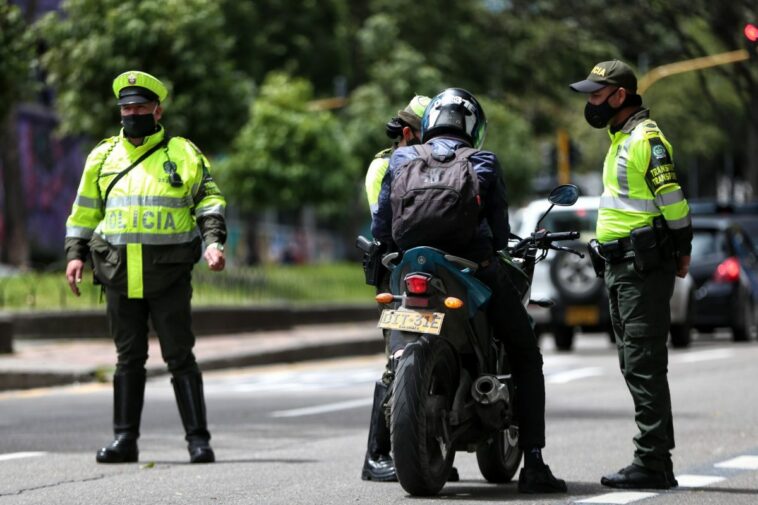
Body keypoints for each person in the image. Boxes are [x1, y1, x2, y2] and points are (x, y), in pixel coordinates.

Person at [371, 88, 567, 494]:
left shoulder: (402, 158)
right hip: (471, 268)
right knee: (525, 352)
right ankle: (533, 463)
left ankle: (380, 451)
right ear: (473, 128)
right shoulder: (483, 161)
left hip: (411, 266)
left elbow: (381, 227)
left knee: (393, 354)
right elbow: (498, 235)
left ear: (428, 124)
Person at [64, 70, 227, 464]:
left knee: (180, 357)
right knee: (127, 358)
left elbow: (208, 201)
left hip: (168, 273)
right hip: (117, 272)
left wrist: (214, 243)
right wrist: (75, 254)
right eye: (126, 108)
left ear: (157, 110)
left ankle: (198, 441)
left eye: (139, 107)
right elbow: (85, 210)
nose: (132, 113)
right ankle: (125, 441)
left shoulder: (183, 152)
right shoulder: (103, 156)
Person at [570, 60, 692, 489]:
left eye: (597, 95)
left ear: (620, 96)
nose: (590, 103)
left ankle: (654, 462)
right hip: (621, 268)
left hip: (643, 268)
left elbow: (673, 201)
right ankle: (654, 458)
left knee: (643, 363)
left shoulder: (647, 139)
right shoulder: (619, 138)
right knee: (632, 362)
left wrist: (683, 249)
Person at [361, 95, 430, 482]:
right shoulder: (385, 166)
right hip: (399, 271)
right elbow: (389, 226)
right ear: (408, 133)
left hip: (430, 267)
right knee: (399, 358)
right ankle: (377, 454)